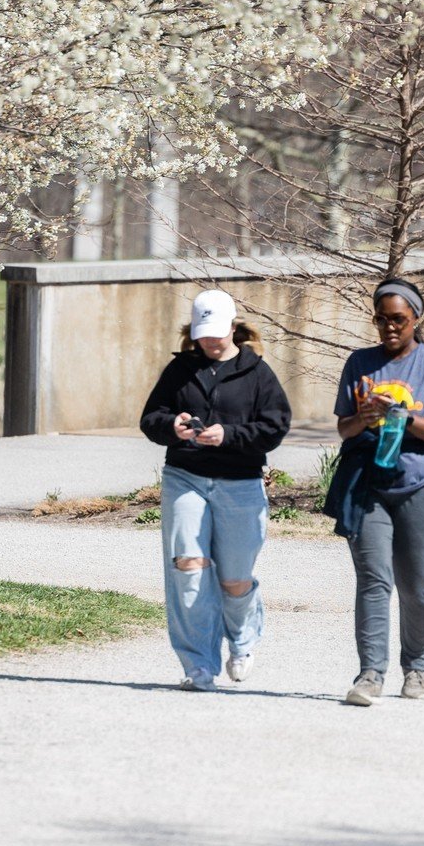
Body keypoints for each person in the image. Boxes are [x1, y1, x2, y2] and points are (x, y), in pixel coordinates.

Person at [323, 277, 424, 706]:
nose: (390, 328)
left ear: (416, 319)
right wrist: (365, 415)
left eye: (399, 320)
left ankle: (416, 669)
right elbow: (343, 428)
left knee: (415, 583)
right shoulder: (359, 363)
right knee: (372, 580)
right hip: (368, 487)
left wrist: (401, 416)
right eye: (382, 320)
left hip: (419, 486)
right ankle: (370, 674)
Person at [139, 289, 292, 691]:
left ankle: (241, 643)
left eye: (217, 333)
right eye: (203, 334)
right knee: (187, 567)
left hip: (240, 483)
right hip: (185, 477)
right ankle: (199, 666)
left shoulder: (257, 372)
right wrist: (171, 425)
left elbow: (275, 426)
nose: (210, 341)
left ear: (233, 328)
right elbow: (150, 418)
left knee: (235, 579)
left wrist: (230, 435)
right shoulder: (180, 370)